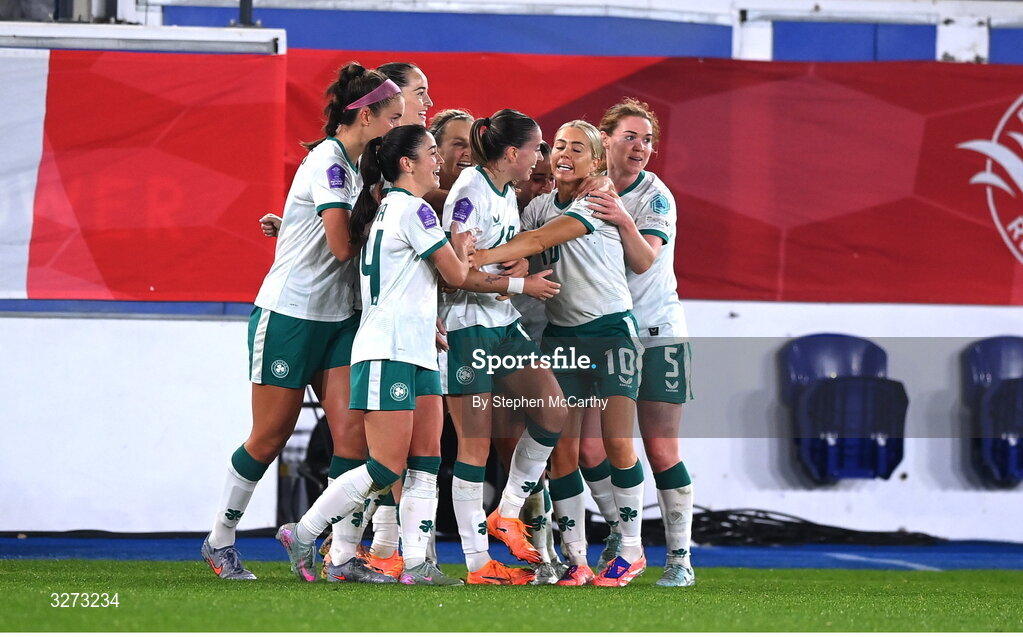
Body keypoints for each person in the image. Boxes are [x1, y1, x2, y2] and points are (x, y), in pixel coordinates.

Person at [275, 124, 561, 584]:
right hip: (388, 348)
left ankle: (416, 565)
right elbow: (454, 274)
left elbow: (439, 276)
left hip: (420, 348)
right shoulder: (414, 212)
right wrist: (477, 256)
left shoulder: (395, 209)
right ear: (407, 164)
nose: (440, 161)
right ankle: (304, 532)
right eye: (431, 152)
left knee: (427, 459)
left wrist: (469, 256)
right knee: (386, 465)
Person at [200, 62, 404, 580]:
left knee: (352, 440)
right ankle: (220, 541)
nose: (397, 127)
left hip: (340, 319)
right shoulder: (331, 165)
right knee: (268, 439)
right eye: (393, 116)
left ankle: (339, 555)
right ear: (364, 116)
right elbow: (341, 248)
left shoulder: (362, 167)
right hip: (291, 314)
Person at [471, 119, 648, 587]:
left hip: (612, 332)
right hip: (563, 337)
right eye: (559, 147)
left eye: (576, 149)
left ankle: (631, 548)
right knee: (564, 455)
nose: (563, 155)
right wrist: (514, 268)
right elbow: (530, 252)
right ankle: (578, 559)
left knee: (616, 443)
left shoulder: (598, 199)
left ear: (595, 160)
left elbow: (539, 241)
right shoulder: (543, 204)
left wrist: (477, 259)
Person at [440, 109, 572, 585]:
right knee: (473, 446)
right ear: (512, 153)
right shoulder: (470, 193)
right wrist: (522, 286)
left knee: (553, 411)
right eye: (537, 148)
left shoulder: (505, 192)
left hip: (500, 321)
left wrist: (514, 267)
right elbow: (454, 272)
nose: (541, 157)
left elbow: (490, 258)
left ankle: (507, 512)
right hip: (467, 327)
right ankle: (477, 563)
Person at [580, 98, 697, 587]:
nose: (641, 147)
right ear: (604, 139)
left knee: (661, 447)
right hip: (604, 333)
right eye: (630, 136)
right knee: (587, 447)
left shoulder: (656, 198)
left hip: (657, 334)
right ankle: (621, 534)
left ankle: (679, 559)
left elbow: (645, 261)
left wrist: (620, 218)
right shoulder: (583, 188)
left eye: (647, 139)